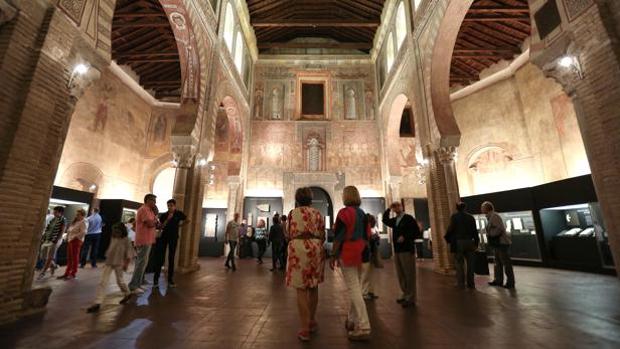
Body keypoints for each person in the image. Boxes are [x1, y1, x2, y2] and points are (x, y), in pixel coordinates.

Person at [330, 186, 372, 341]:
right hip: (362, 251)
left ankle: (364, 326)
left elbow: (339, 236)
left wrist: (333, 254)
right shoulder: (362, 214)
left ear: (345, 196)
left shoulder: (344, 213)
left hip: (348, 251)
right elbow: (367, 234)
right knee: (357, 287)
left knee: (354, 288)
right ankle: (352, 320)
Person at [286, 187, 326, 342]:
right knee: (313, 286)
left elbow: (289, 233)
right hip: (315, 248)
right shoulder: (317, 213)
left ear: (297, 198)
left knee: (301, 289)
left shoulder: (292, 213)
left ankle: (304, 328)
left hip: (298, 249)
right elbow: (322, 233)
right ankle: (311, 320)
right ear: (310, 198)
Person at [87, 222, 134, 313]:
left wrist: (126, 264)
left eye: (117, 231)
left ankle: (127, 293)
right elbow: (111, 248)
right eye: (114, 231)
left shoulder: (126, 240)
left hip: (119, 262)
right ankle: (98, 302)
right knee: (102, 281)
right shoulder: (113, 237)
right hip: (109, 261)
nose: (115, 233)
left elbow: (129, 253)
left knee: (120, 281)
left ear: (122, 231)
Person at [382, 201, 421, 308]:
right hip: (398, 250)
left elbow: (417, 232)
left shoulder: (409, 218)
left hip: (407, 250)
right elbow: (385, 220)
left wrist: (405, 237)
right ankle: (405, 294)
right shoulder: (395, 220)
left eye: (398, 206)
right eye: (395, 207)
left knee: (409, 274)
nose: (396, 208)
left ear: (402, 207)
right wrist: (389, 209)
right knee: (401, 274)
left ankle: (411, 298)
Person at [153, 199, 188, 288]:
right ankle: (155, 280)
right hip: (164, 237)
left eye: (171, 205)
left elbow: (187, 220)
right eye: (168, 205)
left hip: (173, 237)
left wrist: (180, 225)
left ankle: (170, 280)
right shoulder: (164, 215)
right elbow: (160, 227)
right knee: (160, 257)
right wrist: (167, 220)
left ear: (175, 206)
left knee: (171, 258)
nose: (170, 207)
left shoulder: (179, 213)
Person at [444, 202, 479, 289]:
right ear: (465, 207)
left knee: (459, 264)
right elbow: (475, 230)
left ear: (457, 208)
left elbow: (450, 229)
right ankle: (471, 284)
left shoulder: (454, 217)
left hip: (459, 242)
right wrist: (476, 242)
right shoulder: (471, 217)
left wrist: (447, 239)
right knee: (470, 264)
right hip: (470, 242)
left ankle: (461, 284)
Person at [128, 194, 158, 294]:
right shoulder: (144, 209)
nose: (155, 202)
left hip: (148, 239)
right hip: (143, 240)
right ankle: (133, 285)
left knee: (142, 263)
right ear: (147, 200)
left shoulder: (150, 210)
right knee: (140, 263)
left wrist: (155, 220)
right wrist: (155, 221)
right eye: (153, 200)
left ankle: (138, 284)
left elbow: (155, 222)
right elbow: (150, 224)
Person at [482, 201, 515, 289]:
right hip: (496, 244)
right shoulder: (490, 217)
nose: (481, 209)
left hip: (501, 243)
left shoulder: (494, 216)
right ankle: (498, 280)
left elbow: (499, 228)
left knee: (506, 263)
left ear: (487, 208)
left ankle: (510, 282)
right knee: (497, 262)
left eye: (482, 207)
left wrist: (491, 235)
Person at [38, 206, 66, 279]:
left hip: (55, 240)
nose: (54, 213)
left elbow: (62, 231)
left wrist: (56, 240)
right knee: (43, 256)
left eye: (55, 212)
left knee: (49, 257)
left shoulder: (63, 220)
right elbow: (48, 229)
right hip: (48, 239)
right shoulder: (53, 219)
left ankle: (43, 272)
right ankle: (53, 265)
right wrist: (44, 237)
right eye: (54, 211)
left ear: (60, 212)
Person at [58, 209, 87, 280]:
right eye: (76, 214)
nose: (77, 216)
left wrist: (74, 236)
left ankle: (73, 273)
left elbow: (84, 232)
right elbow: (69, 230)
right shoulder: (75, 221)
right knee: (69, 258)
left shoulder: (84, 222)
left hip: (76, 241)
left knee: (74, 258)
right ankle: (67, 273)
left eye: (78, 214)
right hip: (70, 240)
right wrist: (67, 236)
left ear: (82, 215)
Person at [362, 214, 380, 300]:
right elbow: (366, 240)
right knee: (365, 274)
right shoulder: (364, 229)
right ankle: (365, 292)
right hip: (366, 254)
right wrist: (373, 238)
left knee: (370, 274)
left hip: (370, 254)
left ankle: (370, 291)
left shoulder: (368, 228)